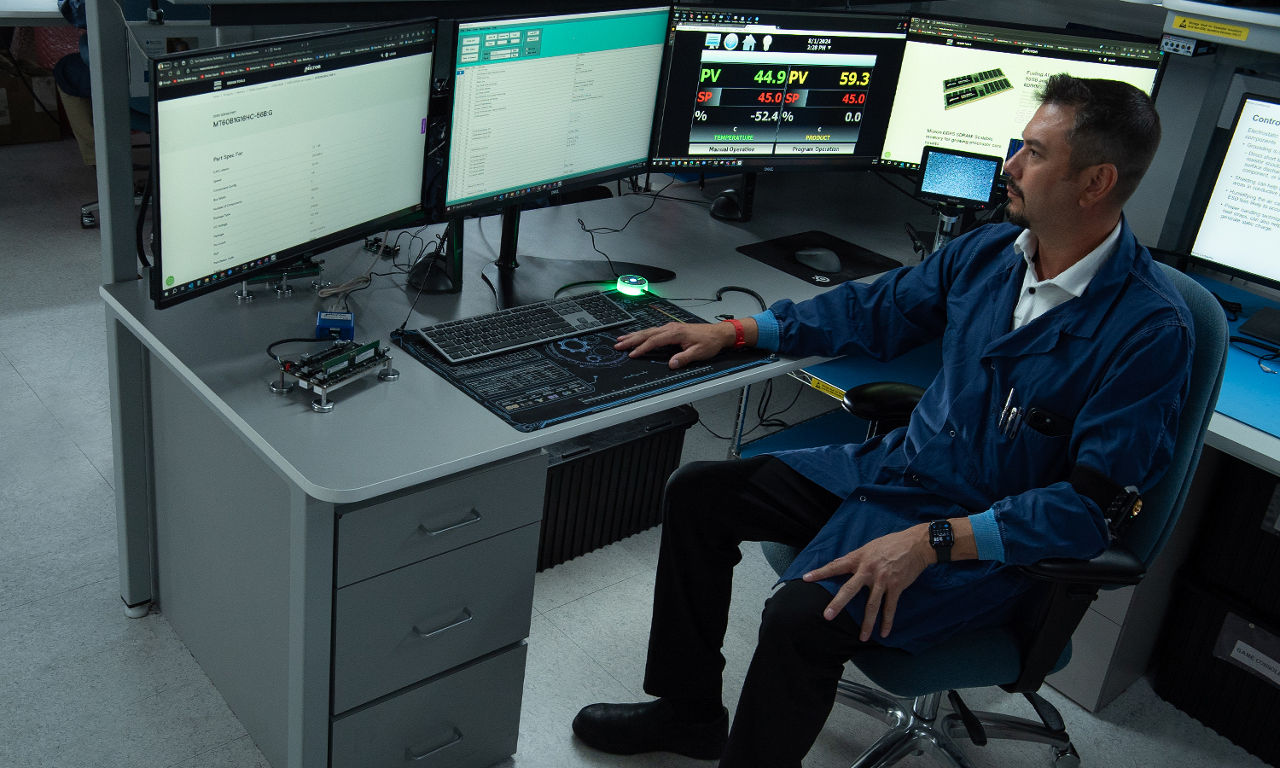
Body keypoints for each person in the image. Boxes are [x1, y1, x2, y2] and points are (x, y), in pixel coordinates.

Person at [571, 74, 1193, 767]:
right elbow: (873, 309)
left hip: (985, 546)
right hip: (898, 475)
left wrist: (930, 541)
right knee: (698, 493)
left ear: (1095, 182)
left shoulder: (1148, 332)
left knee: (800, 619)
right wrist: (740, 329)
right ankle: (688, 714)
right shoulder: (991, 254)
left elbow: (1088, 513)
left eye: (1035, 153)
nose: (1010, 166)